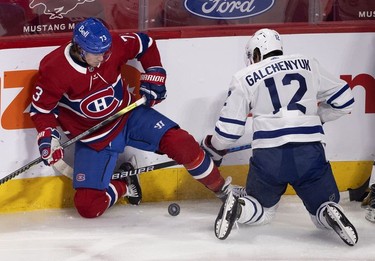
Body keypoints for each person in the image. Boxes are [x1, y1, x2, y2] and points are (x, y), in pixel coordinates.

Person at [30, 17, 236, 219]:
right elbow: (41, 110)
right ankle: (126, 184)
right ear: (79, 48)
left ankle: (224, 192)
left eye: (105, 52)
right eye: (96, 53)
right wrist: (49, 138)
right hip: (94, 139)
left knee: (182, 143)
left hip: (130, 115)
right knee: (88, 206)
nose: (103, 58)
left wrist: (155, 73)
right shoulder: (55, 69)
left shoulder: (112, 46)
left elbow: (144, 44)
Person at [201, 28, 358, 246]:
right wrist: (316, 118)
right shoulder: (307, 63)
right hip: (309, 153)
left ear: (256, 53)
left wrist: (211, 147)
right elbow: (346, 101)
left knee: (261, 210)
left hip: (269, 156)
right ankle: (328, 210)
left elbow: (227, 134)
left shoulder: (244, 77)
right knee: (321, 208)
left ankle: (240, 208)